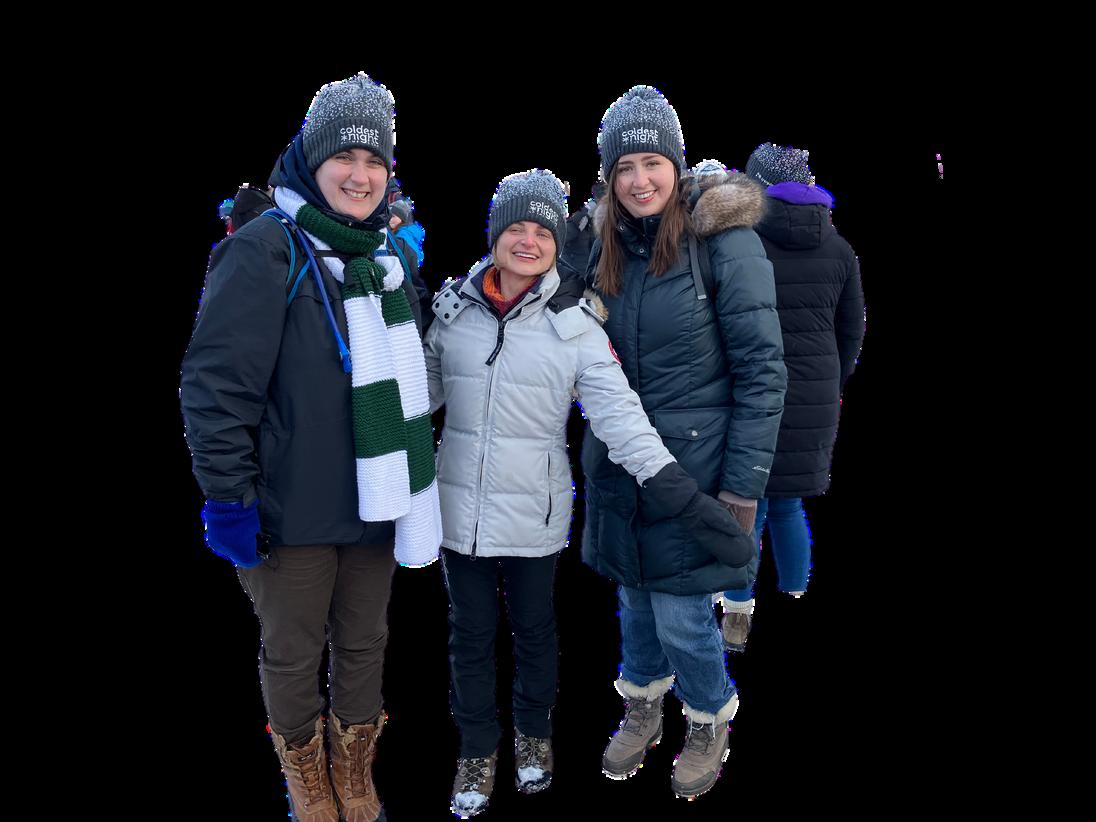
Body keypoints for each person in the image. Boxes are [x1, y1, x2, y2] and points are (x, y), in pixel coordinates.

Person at [423, 168, 741, 817]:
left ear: (555, 243)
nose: (529, 241)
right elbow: (416, 400)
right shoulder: (452, 314)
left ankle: (534, 736)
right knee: (469, 636)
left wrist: (681, 494)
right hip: (458, 515)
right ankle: (477, 749)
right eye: (516, 228)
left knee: (535, 631)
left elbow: (621, 418)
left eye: (543, 231)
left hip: (534, 516)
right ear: (494, 236)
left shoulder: (574, 324)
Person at [180, 72, 440, 822]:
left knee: (365, 643)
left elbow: (417, 370)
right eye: (343, 157)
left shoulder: (388, 260)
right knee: (293, 652)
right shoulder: (266, 249)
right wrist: (229, 498)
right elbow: (216, 386)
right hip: (289, 507)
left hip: (377, 497)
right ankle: (304, 773)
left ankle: (353, 769)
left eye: (375, 160)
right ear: (310, 161)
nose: (360, 175)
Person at [576, 85, 787, 799]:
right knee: (636, 603)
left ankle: (707, 717)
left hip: (697, 472)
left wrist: (742, 488)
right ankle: (642, 704)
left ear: (676, 164)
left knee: (683, 615)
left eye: (652, 164)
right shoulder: (602, 247)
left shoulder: (722, 241)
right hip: (621, 468)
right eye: (624, 167)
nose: (639, 181)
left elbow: (763, 371)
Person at [717, 143, 865, 646]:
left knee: (747, 505)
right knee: (786, 504)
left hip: (754, 390)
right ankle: (796, 594)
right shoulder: (839, 248)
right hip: (816, 392)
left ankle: (738, 611)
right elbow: (852, 328)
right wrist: (832, 380)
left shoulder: (745, 241)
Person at [388, 197, 426, 266]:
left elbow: (412, 258)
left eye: (393, 216)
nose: (389, 219)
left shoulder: (403, 235)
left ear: (403, 218)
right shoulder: (408, 230)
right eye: (388, 215)